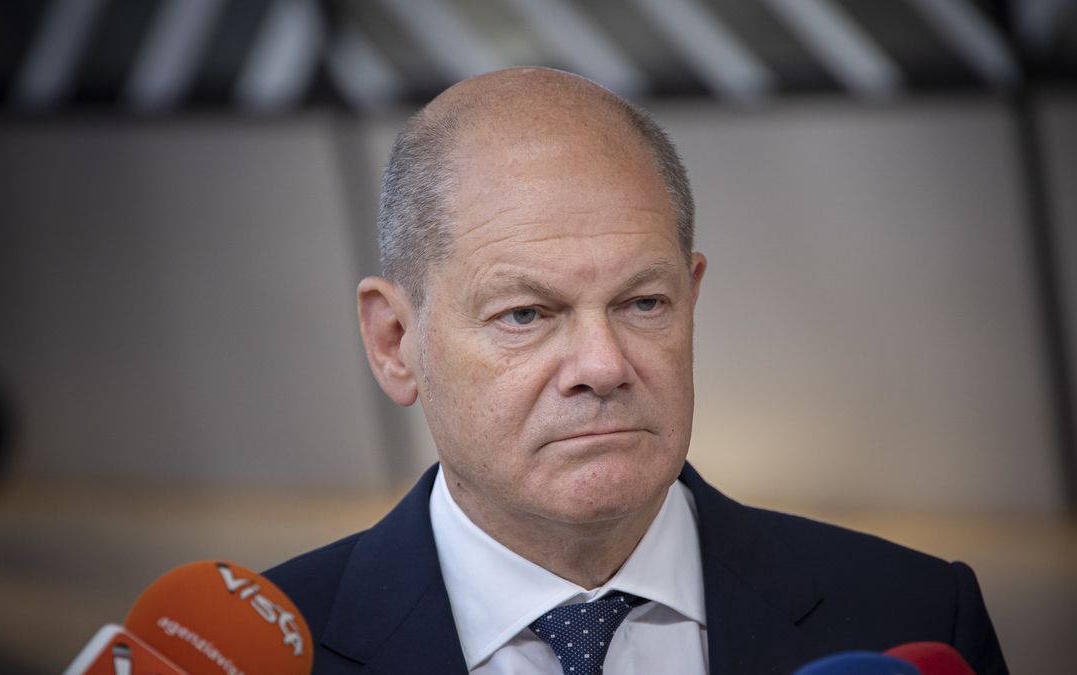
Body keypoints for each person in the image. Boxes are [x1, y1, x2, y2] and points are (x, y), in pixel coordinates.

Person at [266, 67, 1008, 675]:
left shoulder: (913, 615)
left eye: (644, 301)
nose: (602, 365)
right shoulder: (254, 653)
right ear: (396, 341)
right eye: (526, 313)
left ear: (693, 299)